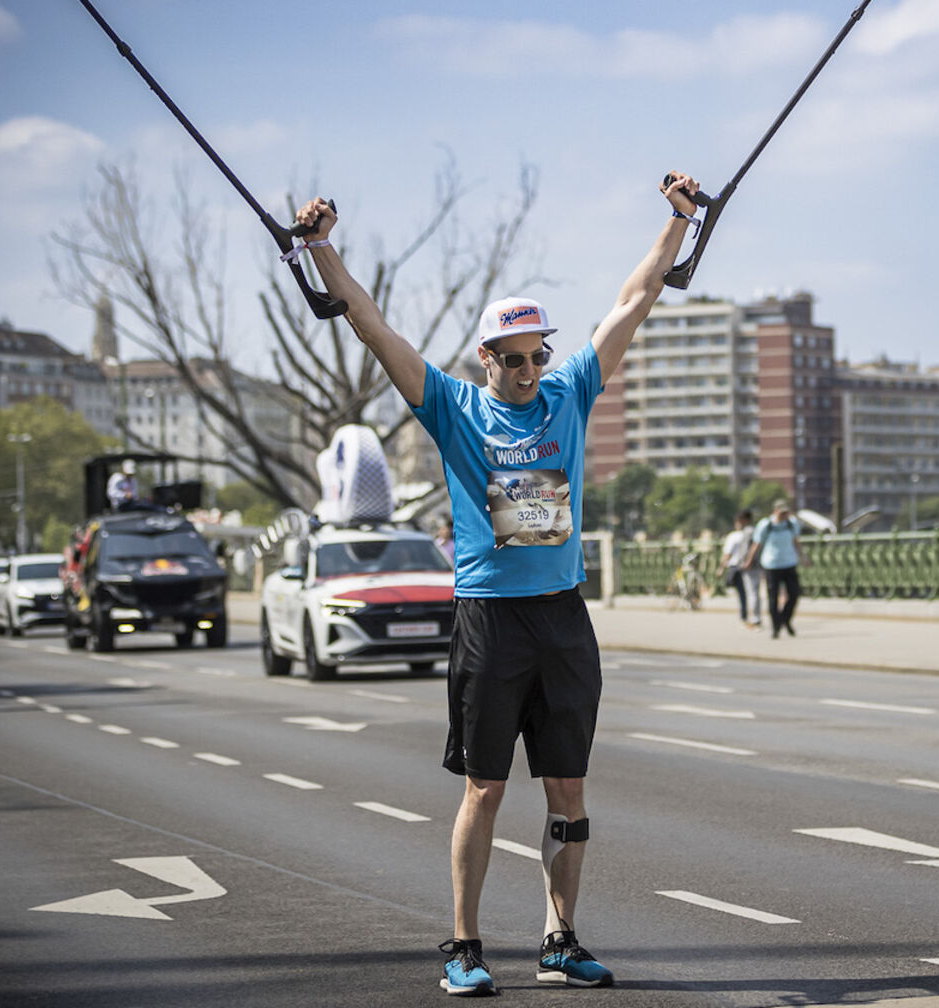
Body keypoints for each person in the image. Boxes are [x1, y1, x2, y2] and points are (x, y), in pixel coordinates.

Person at [294, 170, 701, 996]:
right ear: (486, 358)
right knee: (484, 790)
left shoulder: (569, 393)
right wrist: (320, 246)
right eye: (513, 359)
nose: (527, 370)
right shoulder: (450, 406)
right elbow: (372, 327)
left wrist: (677, 224)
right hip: (489, 618)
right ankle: (464, 949)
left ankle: (560, 940)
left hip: (560, 615)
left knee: (568, 790)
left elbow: (635, 297)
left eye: (536, 355)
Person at [744, 499, 803, 639]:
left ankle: (785, 619)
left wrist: (803, 557)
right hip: (771, 564)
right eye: (782, 513)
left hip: (789, 563)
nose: (784, 515)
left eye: (786, 513)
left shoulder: (791, 523)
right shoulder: (766, 525)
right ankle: (776, 627)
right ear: (775, 511)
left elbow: (796, 541)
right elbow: (756, 544)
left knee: (794, 593)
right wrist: (749, 561)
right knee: (773, 597)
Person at [720, 510, 761, 629]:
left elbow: (728, 553)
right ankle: (751, 617)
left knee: (745, 593)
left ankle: (748, 617)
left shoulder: (741, 534)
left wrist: (721, 567)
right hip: (750, 565)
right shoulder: (753, 531)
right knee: (751, 592)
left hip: (741, 566)